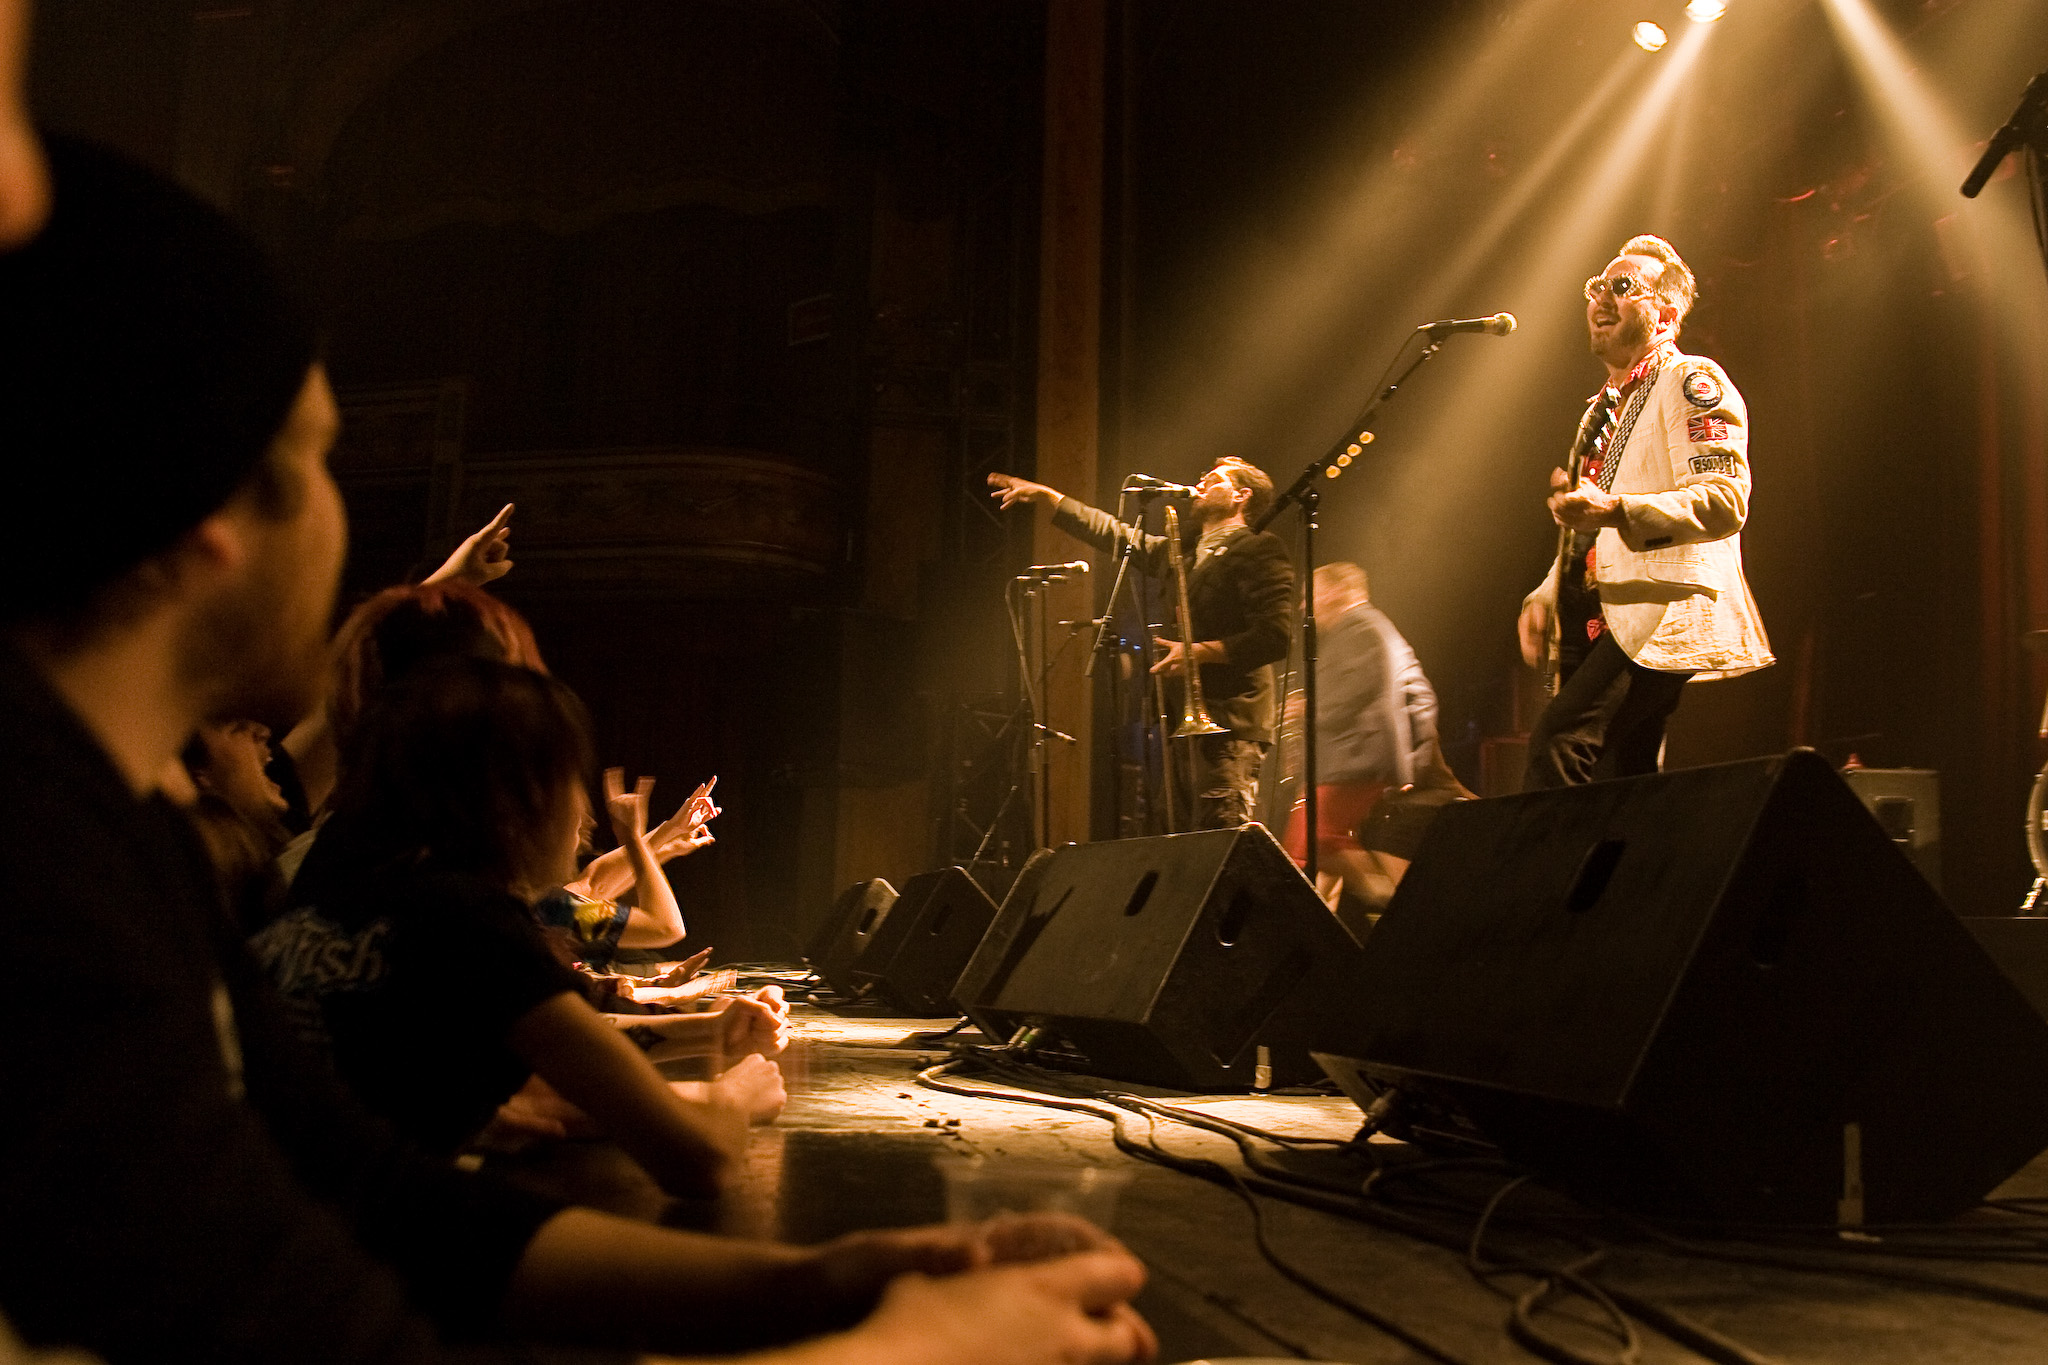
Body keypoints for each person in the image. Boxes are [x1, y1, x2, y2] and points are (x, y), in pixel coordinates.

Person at [0, 135, 1153, 1365]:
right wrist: (931, 1350)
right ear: (218, 521)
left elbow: (388, 1213)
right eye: (324, 459)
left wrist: (809, 1286)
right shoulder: (41, 887)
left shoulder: (130, 854)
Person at [253, 656, 781, 1190]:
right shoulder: (473, 920)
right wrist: (734, 1097)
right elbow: (698, 1157)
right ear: (512, 801)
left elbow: (551, 1037)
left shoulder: (343, 887)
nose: (582, 811)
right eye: (568, 780)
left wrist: (708, 1027)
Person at [1516, 234, 1773, 788]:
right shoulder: (1601, 410)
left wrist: (1612, 508)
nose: (1602, 298)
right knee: (1623, 777)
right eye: (1597, 287)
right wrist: (1546, 593)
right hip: (1606, 612)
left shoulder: (1689, 380)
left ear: (1665, 311)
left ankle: (1552, 876)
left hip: (1660, 608)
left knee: (1559, 743)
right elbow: (1590, 530)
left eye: (1623, 286)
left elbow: (1724, 499)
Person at [988, 459, 1295, 829]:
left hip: (1230, 723)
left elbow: (1275, 637)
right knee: (1184, 840)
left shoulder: (1260, 548)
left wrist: (1199, 653)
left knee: (1223, 833)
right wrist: (1048, 496)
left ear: (1240, 496)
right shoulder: (1181, 552)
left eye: (1213, 478)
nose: (1200, 480)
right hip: (1181, 721)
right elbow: (1113, 533)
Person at [1282, 562, 1448, 918]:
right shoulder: (1377, 628)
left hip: (1352, 760)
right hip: (1362, 760)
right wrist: (1410, 763)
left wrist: (1305, 707)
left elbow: (1352, 692)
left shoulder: (1358, 626)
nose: (1302, 607)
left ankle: (1395, 912)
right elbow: (1421, 697)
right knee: (1316, 856)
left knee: (1314, 839)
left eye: (1308, 596)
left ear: (1334, 592)